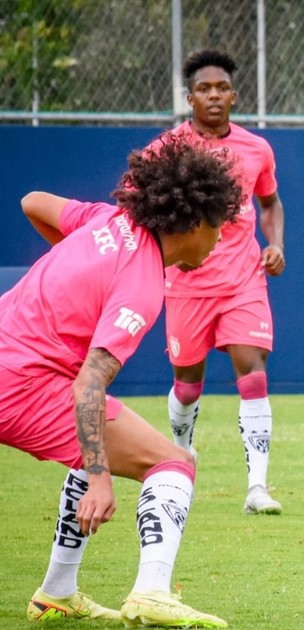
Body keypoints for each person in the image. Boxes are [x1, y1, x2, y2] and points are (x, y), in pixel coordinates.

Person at [7, 136, 240, 627]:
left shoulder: (108, 221)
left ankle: (57, 592)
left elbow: (33, 202)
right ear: (194, 223)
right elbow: (89, 384)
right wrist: (99, 478)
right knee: (173, 463)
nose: (220, 239)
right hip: (23, 386)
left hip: (17, 366)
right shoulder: (141, 283)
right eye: (218, 226)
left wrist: (80, 273)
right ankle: (152, 591)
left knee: (102, 434)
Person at [161, 49, 287, 515]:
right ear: (189, 97)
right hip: (188, 282)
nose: (213, 95)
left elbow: (270, 203)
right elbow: (142, 206)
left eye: (221, 88)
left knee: (251, 370)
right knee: (188, 383)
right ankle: (182, 454)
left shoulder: (256, 149)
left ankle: (257, 488)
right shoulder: (168, 149)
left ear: (234, 95)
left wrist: (275, 245)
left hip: (243, 279)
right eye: (203, 89)